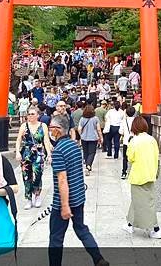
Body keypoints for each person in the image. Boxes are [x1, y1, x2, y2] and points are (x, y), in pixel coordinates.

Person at [48, 115, 109, 266]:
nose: (49, 132)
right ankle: (98, 259)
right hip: (78, 196)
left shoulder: (58, 151)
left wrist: (64, 205)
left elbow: (62, 180)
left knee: (56, 238)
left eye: (51, 129)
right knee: (81, 228)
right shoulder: (74, 145)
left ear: (57, 130)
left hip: (64, 200)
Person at [121, 115, 161, 239]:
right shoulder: (152, 139)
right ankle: (129, 224)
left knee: (145, 203)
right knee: (138, 200)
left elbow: (130, 158)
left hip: (138, 175)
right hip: (150, 173)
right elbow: (157, 156)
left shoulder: (134, 141)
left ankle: (155, 228)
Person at [15, 109, 53, 209]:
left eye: (33, 114)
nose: (30, 116)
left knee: (38, 174)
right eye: (29, 114)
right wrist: (18, 152)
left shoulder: (43, 126)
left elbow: (46, 140)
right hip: (26, 152)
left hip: (39, 152)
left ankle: (37, 194)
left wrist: (49, 154)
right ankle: (28, 198)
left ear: (37, 115)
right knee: (26, 176)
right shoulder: (24, 126)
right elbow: (19, 139)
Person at [78, 105, 104, 175]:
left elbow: (79, 129)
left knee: (85, 152)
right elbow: (98, 129)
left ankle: (87, 165)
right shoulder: (95, 118)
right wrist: (101, 137)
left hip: (84, 138)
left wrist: (81, 135)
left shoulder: (82, 119)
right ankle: (88, 165)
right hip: (93, 138)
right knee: (92, 152)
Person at [119, 106, 136, 179]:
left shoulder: (124, 121)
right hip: (135, 141)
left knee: (125, 158)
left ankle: (124, 172)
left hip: (126, 141)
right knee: (136, 158)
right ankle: (134, 173)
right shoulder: (136, 120)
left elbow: (120, 131)